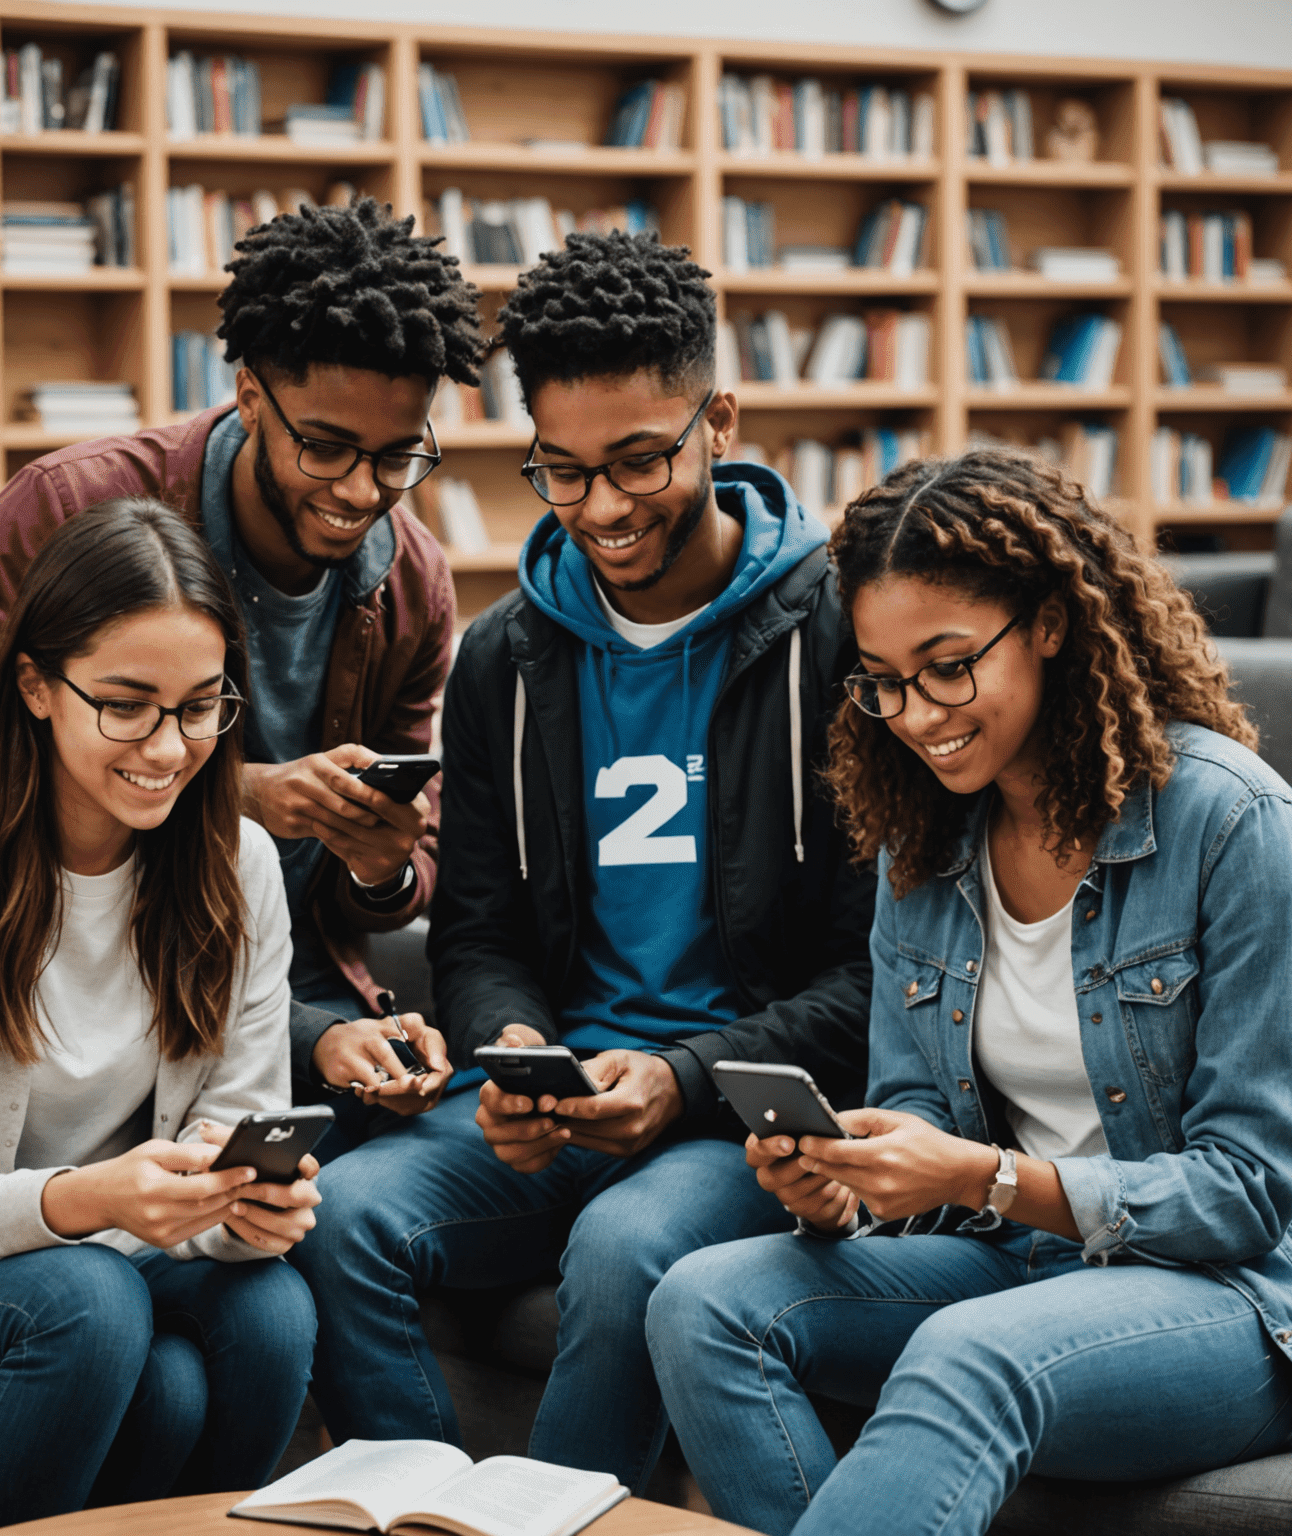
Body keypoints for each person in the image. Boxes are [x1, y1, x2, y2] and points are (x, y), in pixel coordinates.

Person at [646, 448, 1292, 1536]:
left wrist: (989, 1176)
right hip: (1012, 1261)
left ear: (1051, 623)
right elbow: (919, 1102)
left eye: (949, 665)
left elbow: (1247, 1193)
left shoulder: (1236, 826)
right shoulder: (923, 838)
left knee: (966, 1354)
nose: (915, 714)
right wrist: (855, 1183)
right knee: (702, 1304)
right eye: (882, 678)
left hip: (1232, 1302)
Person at [294, 231, 876, 1491]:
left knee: (624, 1249)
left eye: (640, 462)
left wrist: (677, 1080)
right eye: (561, 473)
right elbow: (481, 933)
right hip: (560, 1101)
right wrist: (509, 1052)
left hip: (742, 1116)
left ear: (720, 419)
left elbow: (881, 967)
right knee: (335, 1218)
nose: (604, 510)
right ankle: (438, 1514)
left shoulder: (839, 635)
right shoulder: (507, 659)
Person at [0, 499, 321, 1536]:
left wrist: (244, 1208)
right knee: (90, 1306)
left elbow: (233, 1129)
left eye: (202, 706)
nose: (169, 748)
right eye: (127, 705)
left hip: (109, 1279)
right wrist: (93, 1201)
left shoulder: (237, 863)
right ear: (35, 683)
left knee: (269, 1314)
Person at [0, 198, 484, 1129]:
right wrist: (240, 791)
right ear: (251, 395)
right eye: (325, 447)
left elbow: (395, 888)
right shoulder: (73, 508)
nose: (361, 491)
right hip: (74, 977)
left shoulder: (412, 579)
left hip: (285, 992)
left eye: (398, 455)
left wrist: (379, 864)